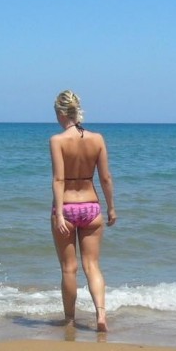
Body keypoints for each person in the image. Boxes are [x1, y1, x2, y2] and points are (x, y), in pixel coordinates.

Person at [50, 89, 117, 332]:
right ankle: (101, 314)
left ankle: (69, 320)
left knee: (69, 268)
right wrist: (111, 208)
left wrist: (58, 213)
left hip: (67, 207)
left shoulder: (57, 141)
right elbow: (106, 178)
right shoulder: (97, 139)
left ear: (60, 112)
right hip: (91, 206)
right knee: (92, 265)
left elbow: (59, 179)